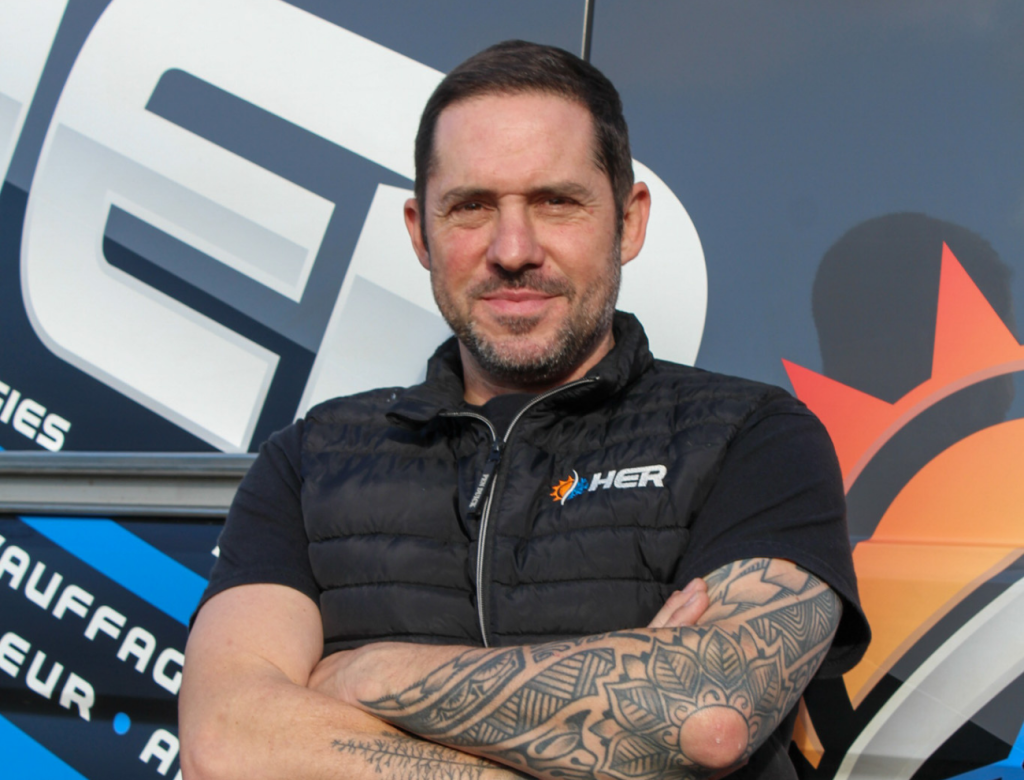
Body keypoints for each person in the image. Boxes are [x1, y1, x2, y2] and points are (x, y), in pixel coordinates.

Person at [179, 40, 869, 780]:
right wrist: (620, 697)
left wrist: (367, 676)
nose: (512, 249)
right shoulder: (312, 461)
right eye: (471, 207)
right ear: (419, 232)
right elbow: (227, 744)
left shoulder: (749, 438)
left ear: (629, 221)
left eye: (556, 202)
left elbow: (706, 716)